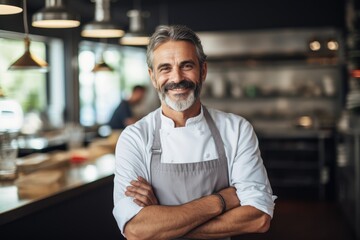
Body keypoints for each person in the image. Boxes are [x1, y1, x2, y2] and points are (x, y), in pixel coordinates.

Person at [113, 25, 276, 240]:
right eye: (165, 68)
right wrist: (221, 201)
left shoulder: (236, 129)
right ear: (152, 77)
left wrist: (164, 225)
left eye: (186, 65)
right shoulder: (134, 138)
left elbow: (258, 218)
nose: (177, 78)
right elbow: (136, 229)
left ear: (203, 70)